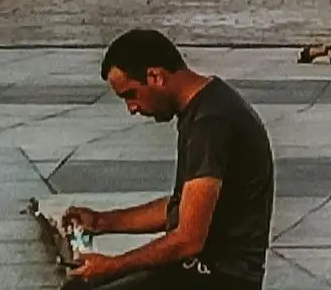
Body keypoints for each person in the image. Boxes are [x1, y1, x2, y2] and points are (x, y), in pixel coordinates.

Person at [62, 27, 274, 287]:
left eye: (131, 94)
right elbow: (182, 208)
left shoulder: (209, 123)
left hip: (219, 278)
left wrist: (113, 266)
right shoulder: (206, 106)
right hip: (203, 272)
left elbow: (188, 238)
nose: (132, 108)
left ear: (156, 76)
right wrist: (102, 221)